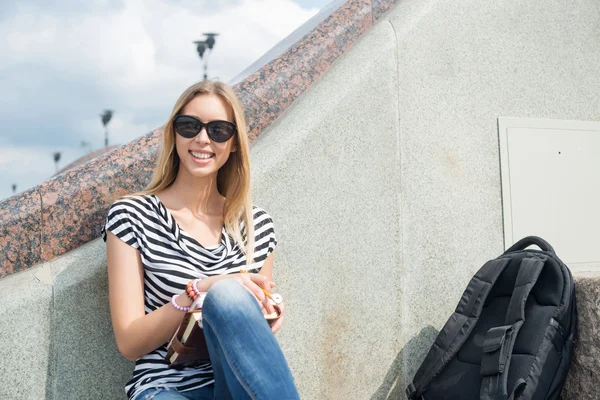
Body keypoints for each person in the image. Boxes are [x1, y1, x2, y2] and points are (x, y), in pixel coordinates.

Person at [102, 80, 300, 400]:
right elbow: (129, 342)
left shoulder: (256, 226)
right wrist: (199, 289)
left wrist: (264, 312)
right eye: (189, 126)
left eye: (219, 130)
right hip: (165, 386)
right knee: (223, 291)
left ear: (234, 142)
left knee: (229, 297)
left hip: (236, 385)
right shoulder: (132, 215)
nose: (202, 138)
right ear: (174, 133)